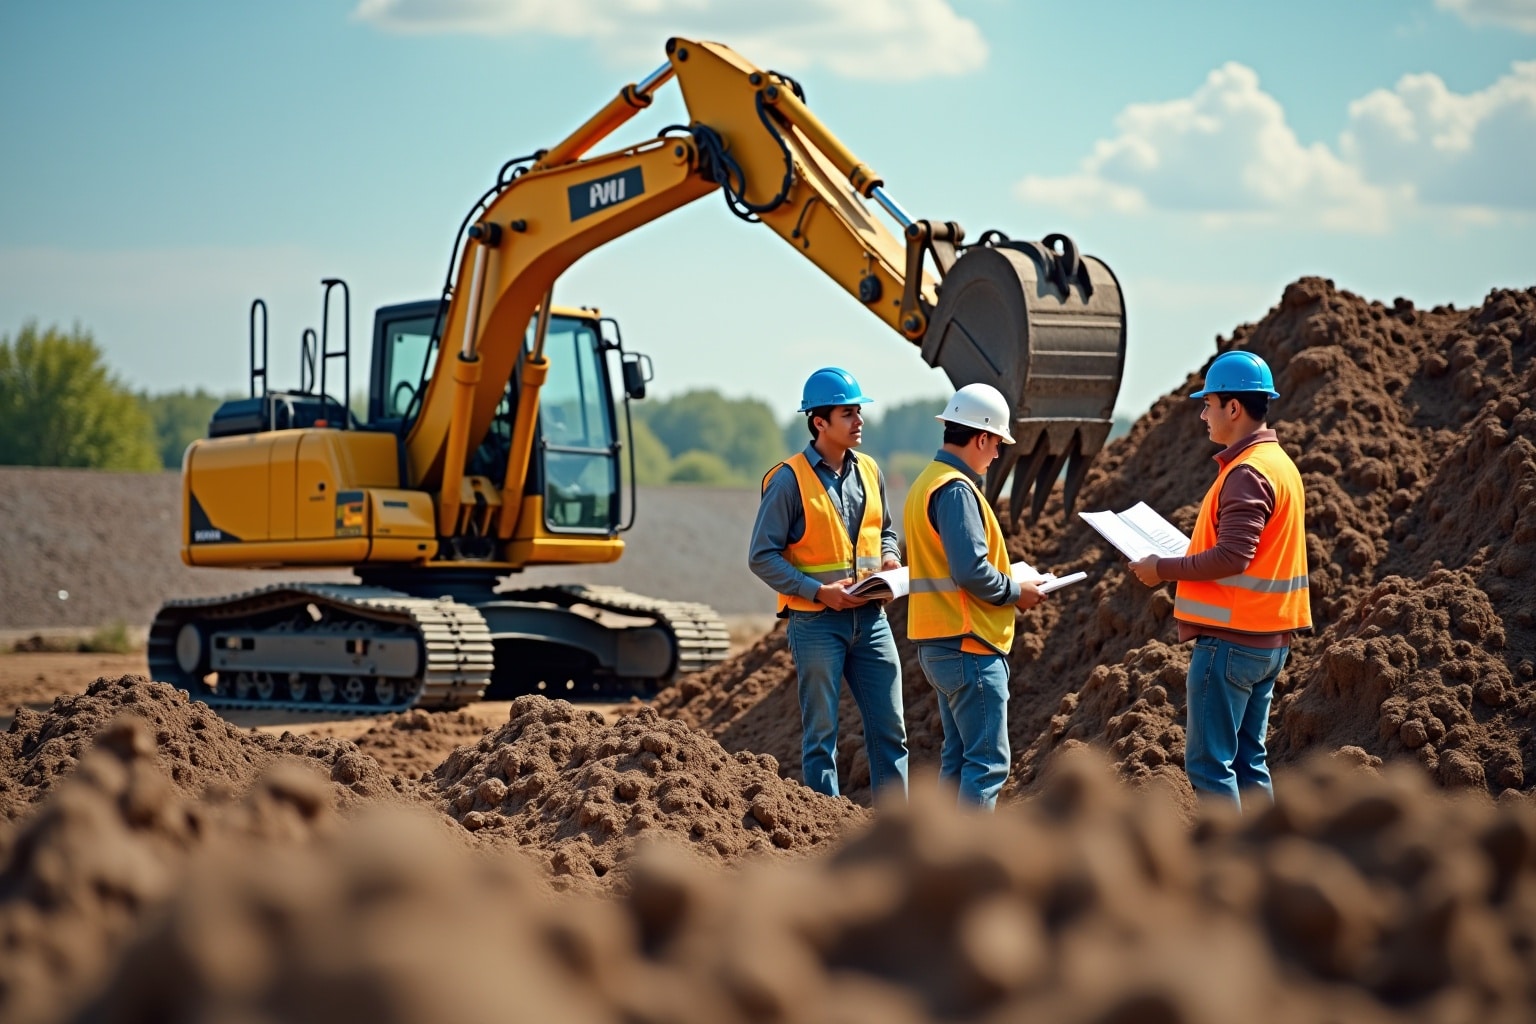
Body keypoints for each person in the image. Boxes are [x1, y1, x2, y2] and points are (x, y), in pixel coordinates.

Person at [1128, 350, 1311, 811]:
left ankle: (1230, 871)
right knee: (1250, 761)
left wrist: (1161, 569)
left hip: (1232, 641)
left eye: (1208, 403)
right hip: (1268, 640)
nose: (1203, 413)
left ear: (1234, 408)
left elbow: (1233, 555)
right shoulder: (1278, 463)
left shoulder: (1247, 472)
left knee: (1211, 766)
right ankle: (1264, 861)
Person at [748, 366, 910, 801]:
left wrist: (891, 555)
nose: (859, 421)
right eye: (847, 413)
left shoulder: (871, 471)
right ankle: (824, 828)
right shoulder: (787, 480)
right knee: (821, 736)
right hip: (816, 623)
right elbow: (761, 556)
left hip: (871, 619)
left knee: (891, 728)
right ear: (819, 422)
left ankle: (896, 830)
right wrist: (819, 592)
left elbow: (885, 529)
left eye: (858, 411)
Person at [904, 382, 1045, 811]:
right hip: (969, 643)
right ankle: (965, 867)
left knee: (957, 760)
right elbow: (970, 571)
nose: (998, 454)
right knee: (986, 765)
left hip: (939, 642)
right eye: (997, 443)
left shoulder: (927, 482)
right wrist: (1015, 592)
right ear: (981, 437)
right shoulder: (957, 490)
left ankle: (939, 857)